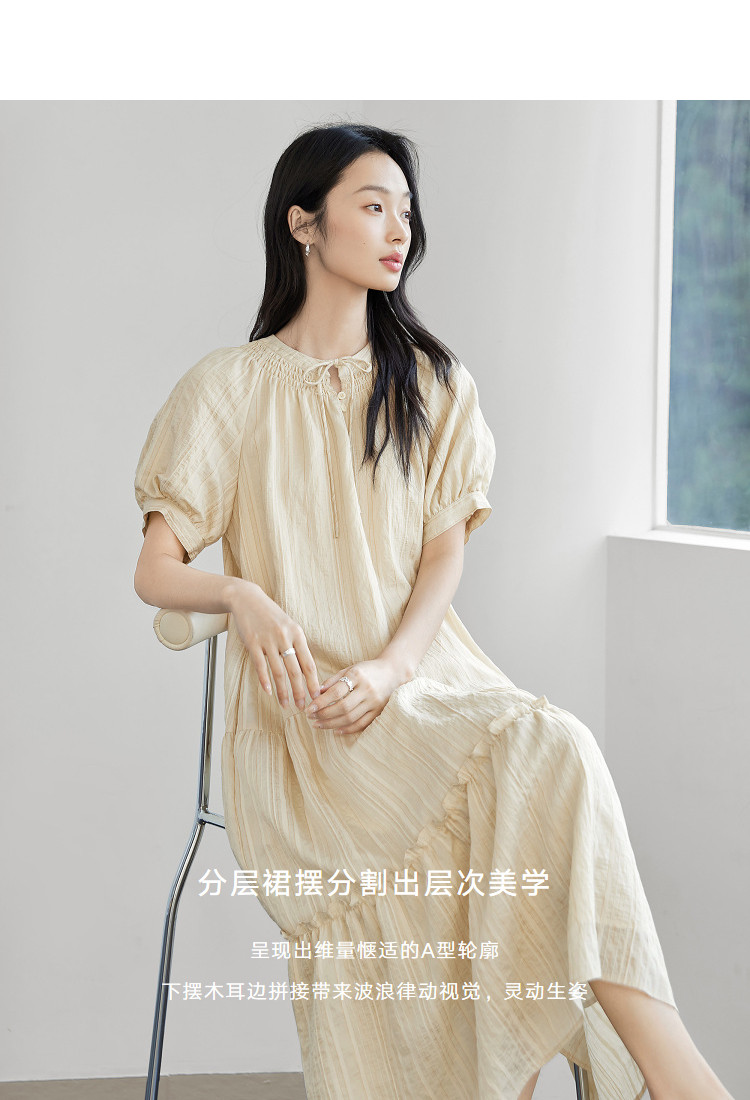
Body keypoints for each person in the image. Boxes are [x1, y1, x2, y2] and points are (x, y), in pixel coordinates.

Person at [133, 121, 734, 1100]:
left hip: (423, 685)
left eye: (405, 211)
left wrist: (390, 668)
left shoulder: (434, 383)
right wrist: (239, 594)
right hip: (306, 729)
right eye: (372, 206)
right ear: (303, 224)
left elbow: (443, 558)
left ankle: (680, 1081)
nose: (398, 229)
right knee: (539, 766)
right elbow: (156, 571)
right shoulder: (227, 389)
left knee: (548, 748)